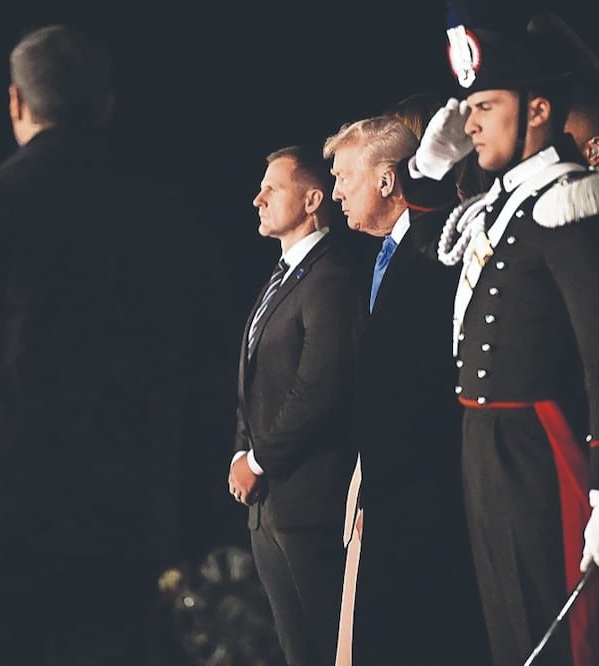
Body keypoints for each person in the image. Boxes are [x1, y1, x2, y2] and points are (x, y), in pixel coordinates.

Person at [0, 24, 214, 665]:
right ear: (106, 103)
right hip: (129, 538)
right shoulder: (170, 225)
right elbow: (204, 387)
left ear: (16, 102)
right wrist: (191, 530)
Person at [404, 11, 599, 666]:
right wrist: (428, 167)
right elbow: (421, 247)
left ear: (536, 111)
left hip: (544, 448)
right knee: (514, 629)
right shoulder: (503, 201)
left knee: (574, 640)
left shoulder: (571, 198)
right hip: (489, 448)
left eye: (484, 105)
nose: (468, 122)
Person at [322, 116, 490, 666]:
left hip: (434, 499)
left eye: (345, 175)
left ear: (388, 180)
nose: (336, 191)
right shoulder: (379, 260)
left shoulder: (437, 252)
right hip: (391, 494)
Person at [228, 144, 365, 666]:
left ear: (313, 200)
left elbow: (318, 387)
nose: (257, 198)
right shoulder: (282, 278)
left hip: (310, 504)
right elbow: (255, 376)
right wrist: (241, 451)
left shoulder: (332, 279)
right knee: (296, 651)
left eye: (273, 188)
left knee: (330, 649)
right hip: (268, 504)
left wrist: (259, 459)